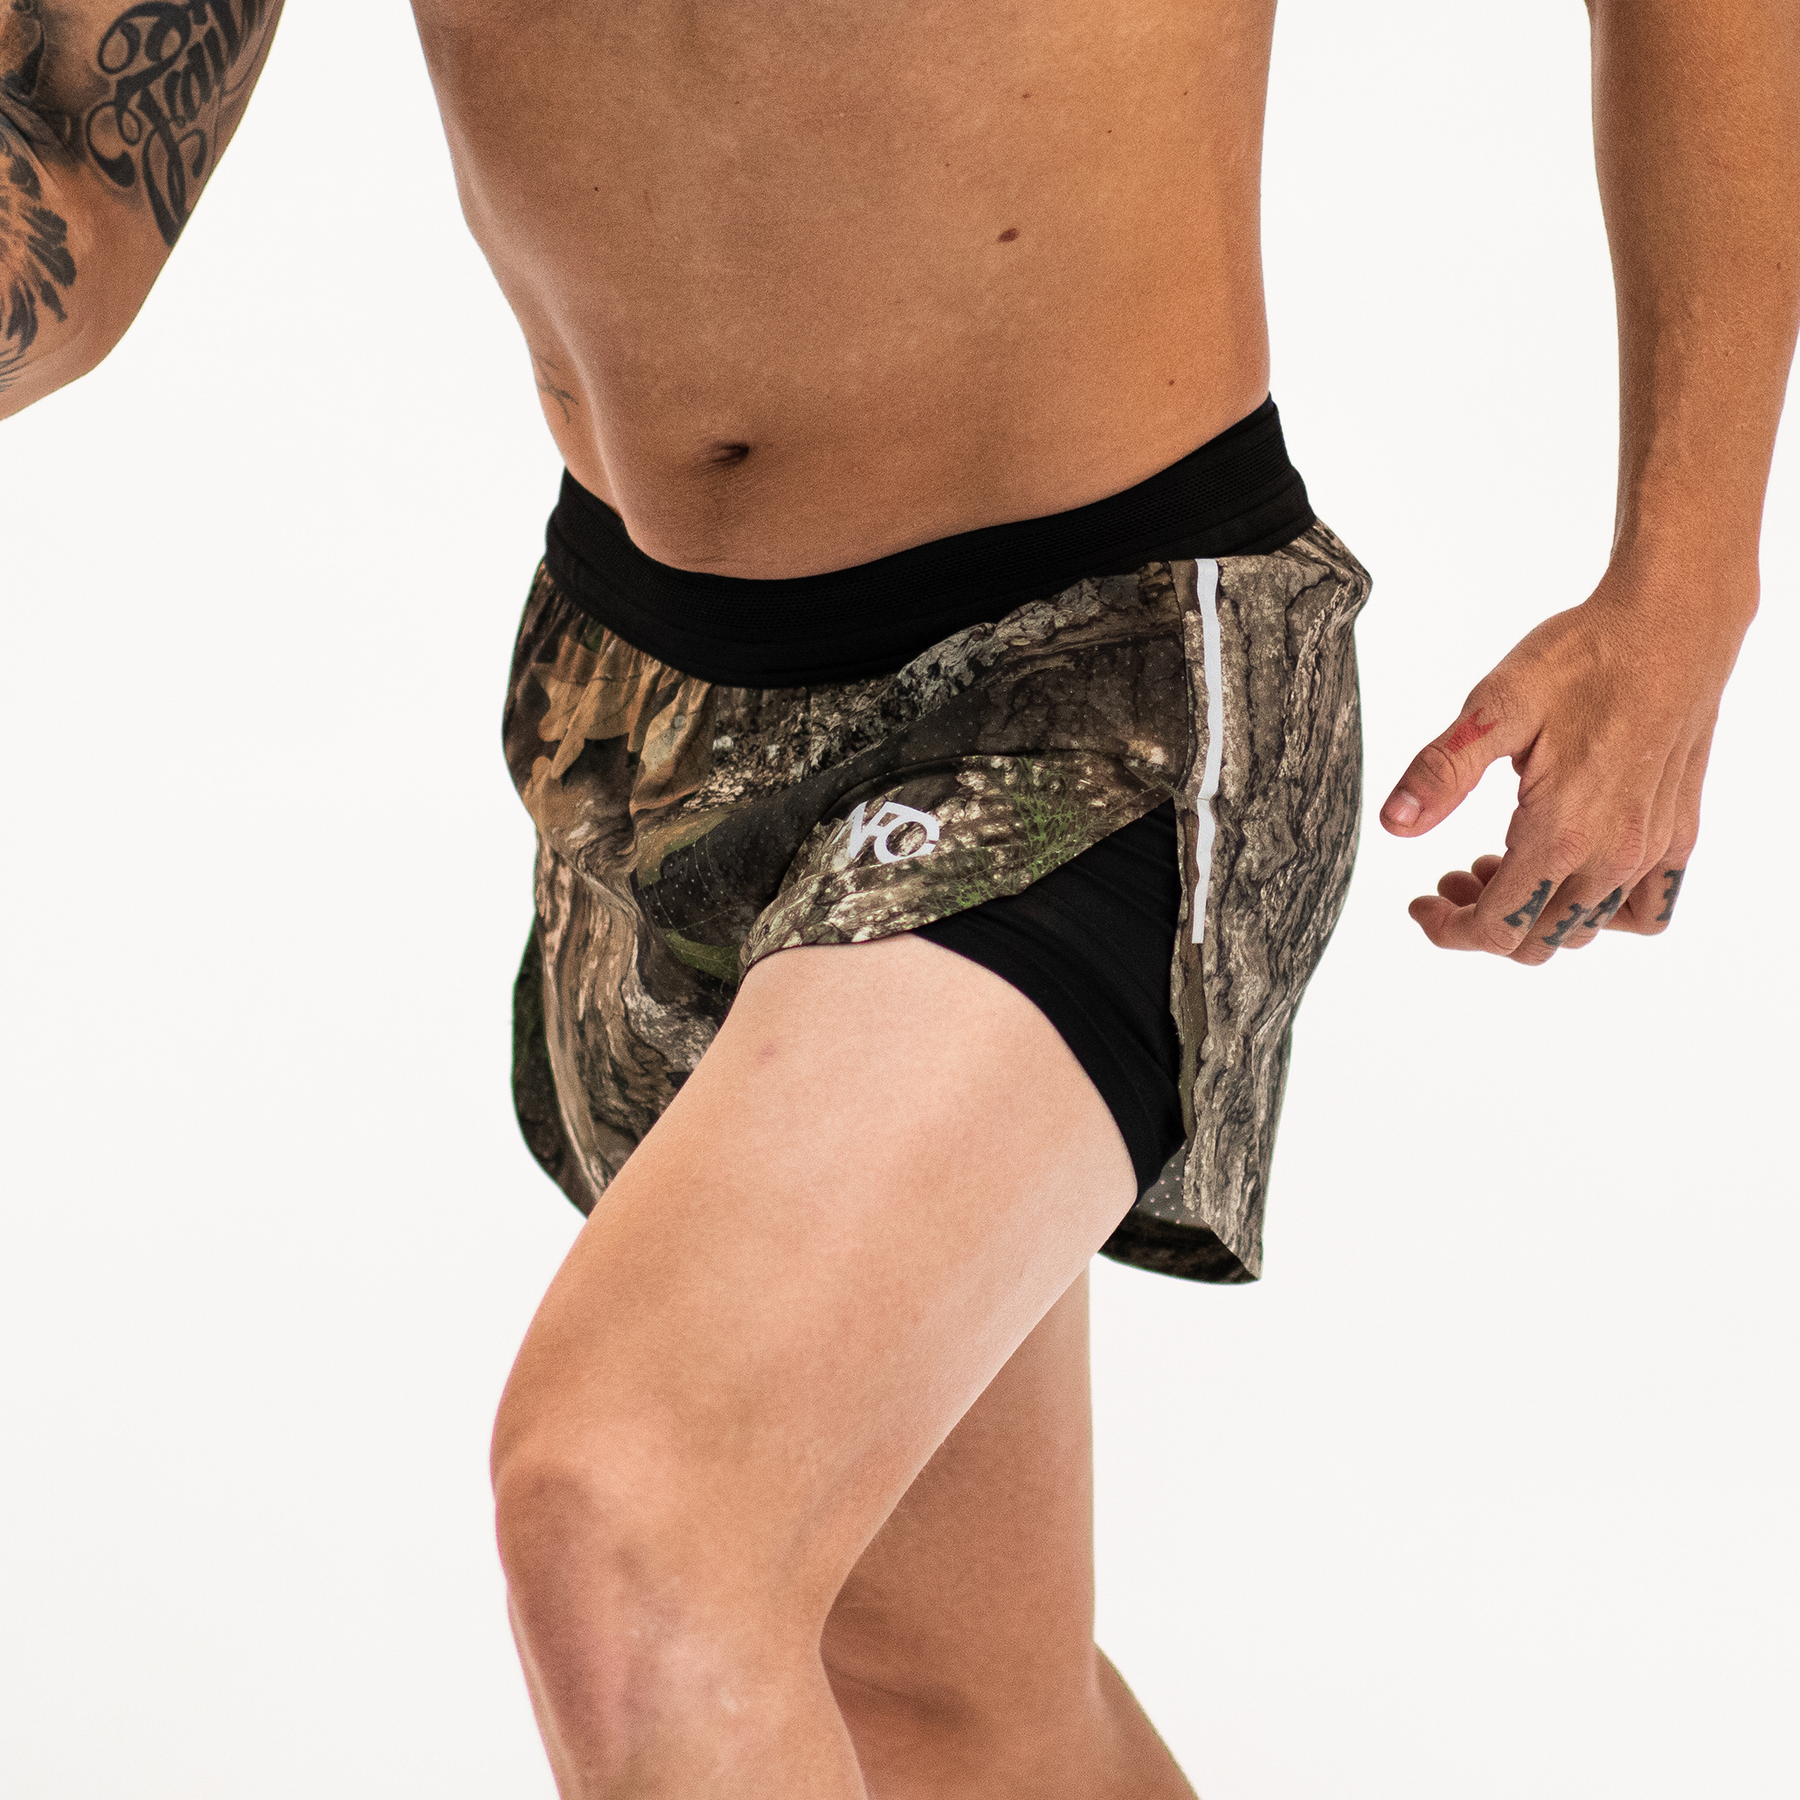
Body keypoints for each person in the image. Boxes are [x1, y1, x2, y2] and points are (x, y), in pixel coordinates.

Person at [4, 0, 1794, 1793]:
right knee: (961, 1711)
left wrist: (1686, 590)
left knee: (637, 1523)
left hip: (1094, 659)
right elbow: (69, 156)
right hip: (643, 710)